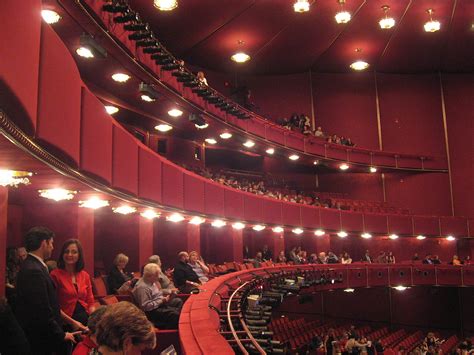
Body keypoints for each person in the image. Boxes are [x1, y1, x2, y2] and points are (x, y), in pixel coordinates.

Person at [16, 227, 76, 354]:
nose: (53, 247)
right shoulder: (34, 270)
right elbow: (41, 311)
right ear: (44, 243)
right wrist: (60, 335)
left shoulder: (34, 265)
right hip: (42, 339)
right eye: (51, 243)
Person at [51, 239, 95, 330]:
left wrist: (93, 320)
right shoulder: (55, 275)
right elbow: (53, 305)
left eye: (74, 252)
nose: (69, 255)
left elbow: (90, 301)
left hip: (85, 320)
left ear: (79, 255)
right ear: (62, 254)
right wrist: (73, 323)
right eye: (66, 251)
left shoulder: (85, 275)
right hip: (65, 323)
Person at [133, 263, 182, 329]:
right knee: (175, 314)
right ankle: (166, 334)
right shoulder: (142, 287)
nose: (159, 277)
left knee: (178, 305)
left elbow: (157, 294)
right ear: (149, 275)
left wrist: (166, 297)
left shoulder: (151, 281)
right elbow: (146, 307)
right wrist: (161, 300)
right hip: (151, 312)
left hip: (158, 305)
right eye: (157, 275)